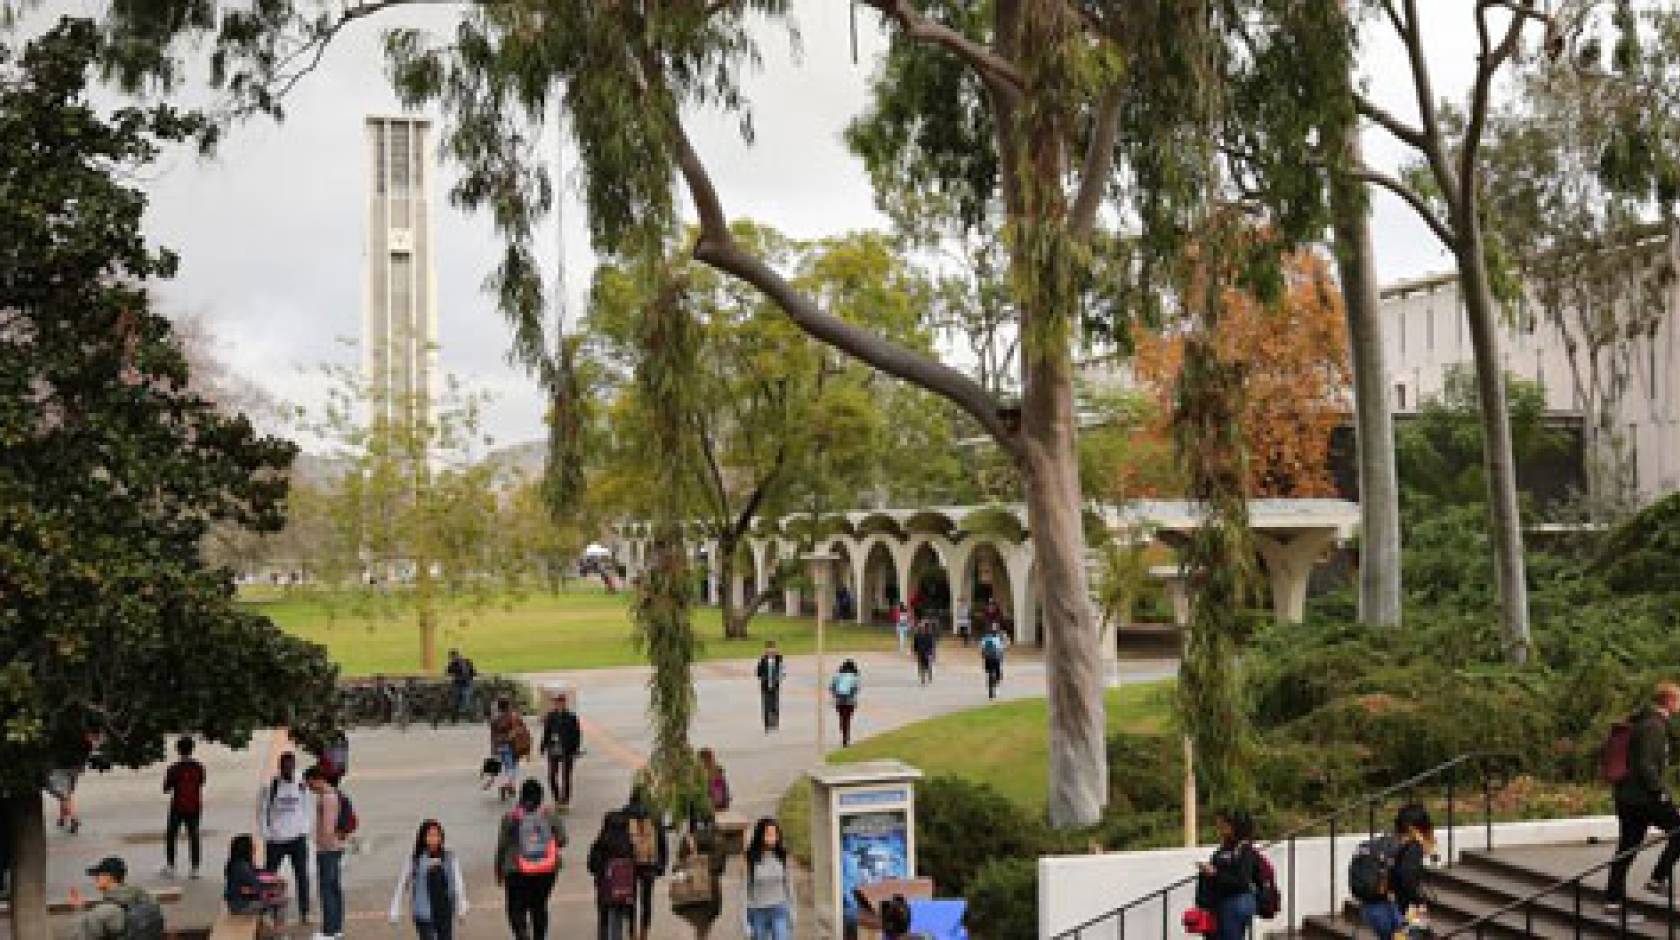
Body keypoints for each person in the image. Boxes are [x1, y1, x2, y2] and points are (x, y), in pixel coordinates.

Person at [1607, 681, 1680, 915]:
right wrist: (1659, 792)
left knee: (1627, 846)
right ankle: (1658, 879)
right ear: (1668, 701)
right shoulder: (1654, 726)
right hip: (1643, 798)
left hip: (1628, 796)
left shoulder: (1643, 721)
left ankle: (1613, 900)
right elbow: (1646, 764)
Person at [497, 779, 566, 940]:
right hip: (545, 870)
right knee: (539, 907)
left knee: (515, 908)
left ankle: (522, 934)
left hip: (516, 869)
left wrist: (499, 869)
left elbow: (502, 845)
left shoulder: (510, 817)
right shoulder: (549, 815)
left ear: (521, 796)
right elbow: (563, 840)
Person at [1359, 803, 1433, 939]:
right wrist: (1419, 901)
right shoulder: (1412, 847)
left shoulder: (1387, 841)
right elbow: (1407, 878)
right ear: (1414, 828)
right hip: (1396, 910)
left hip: (1372, 908)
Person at [257, 752, 313, 924]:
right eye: (285, 767)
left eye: (291, 766)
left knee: (302, 876)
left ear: (294, 766)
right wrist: (267, 833)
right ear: (280, 767)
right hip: (276, 840)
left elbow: (306, 806)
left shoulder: (301, 783)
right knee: (269, 876)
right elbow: (261, 811)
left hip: (297, 839)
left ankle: (305, 911)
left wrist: (304, 829)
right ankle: (267, 910)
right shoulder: (271, 785)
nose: (288, 770)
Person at [390, 819, 470, 939]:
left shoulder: (450, 857)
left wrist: (462, 905)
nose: (433, 839)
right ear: (423, 837)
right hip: (423, 912)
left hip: (445, 910)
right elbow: (402, 884)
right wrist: (395, 908)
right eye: (430, 835)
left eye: (436, 835)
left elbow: (458, 882)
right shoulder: (415, 859)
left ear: (441, 837)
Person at [1196, 809, 1261, 940]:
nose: (1219, 826)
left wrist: (1215, 873)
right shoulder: (1226, 847)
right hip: (1220, 903)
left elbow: (1242, 880)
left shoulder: (1244, 849)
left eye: (1223, 824)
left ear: (1234, 826)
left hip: (1234, 903)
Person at [72, 856, 164, 940]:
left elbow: (80, 936)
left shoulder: (103, 911)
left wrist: (79, 910)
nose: (95, 878)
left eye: (98, 874)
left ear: (109, 877)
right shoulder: (145, 897)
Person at [303, 767, 346, 940]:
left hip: (328, 850)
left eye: (309, 782)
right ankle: (336, 927)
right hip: (335, 848)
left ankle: (329, 930)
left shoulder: (327, 798)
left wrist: (320, 845)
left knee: (327, 889)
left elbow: (328, 828)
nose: (308, 786)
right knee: (334, 888)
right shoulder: (333, 794)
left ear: (317, 779)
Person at [624, 785, 669, 940]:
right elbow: (662, 841)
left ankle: (631, 932)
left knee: (630, 899)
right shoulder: (654, 816)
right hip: (649, 862)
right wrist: (662, 863)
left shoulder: (624, 813)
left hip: (629, 863)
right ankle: (644, 933)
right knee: (647, 900)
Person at [587, 811, 638, 940]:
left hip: (605, 888)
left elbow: (592, 866)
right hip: (623, 889)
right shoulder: (628, 844)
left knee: (604, 917)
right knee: (619, 917)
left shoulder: (600, 843)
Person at [742, 817, 796, 940]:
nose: (772, 838)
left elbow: (789, 886)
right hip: (757, 911)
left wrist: (793, 912)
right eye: (768, 834)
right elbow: (744, 892)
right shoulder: (749, 859)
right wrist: (744, 923)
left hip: (779, 908)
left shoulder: (782, 856)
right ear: (760, 835)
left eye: (774, 834)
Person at [161, 736, 206, 879]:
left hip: (177, 806)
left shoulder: (174, 768)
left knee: (171, 835)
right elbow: (201, 783)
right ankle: (195, 868)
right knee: (194, 835)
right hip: (194, 806)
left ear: (178, 750)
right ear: (192, 749)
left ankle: (171, 866)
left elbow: (166, 788)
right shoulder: (199, 767)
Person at [540, 692, 583, 806]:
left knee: (566, 776)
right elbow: (546, 732)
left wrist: (576, 749)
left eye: (560, 701)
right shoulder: (550, 716)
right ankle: (557, 797)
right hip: (553, 748)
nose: (558, 703)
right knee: (552, 776)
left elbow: (577, 734)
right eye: (556, 701)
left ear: (564, 702)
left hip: (567, 749)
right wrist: (543, 747)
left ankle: (566, 799)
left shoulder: (572, 717)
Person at [488, 697, 526, 801]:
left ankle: (509, 785)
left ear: (499, 707)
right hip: (513, 745)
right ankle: (508, 784)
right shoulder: (514, 717)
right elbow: (522, 729)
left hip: (500, 745)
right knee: (513, 766)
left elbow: (493, 735)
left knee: (506, 766)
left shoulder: (494, 719)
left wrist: (494, 749)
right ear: (509, 706)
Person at [222, 834, 268, 916]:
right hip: (241, 905)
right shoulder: (243, 867)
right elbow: (257, 886)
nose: (255, 848)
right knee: (278, 901)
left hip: (234, 902)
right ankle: (276, 925)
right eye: (252, 845)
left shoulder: (235, 863)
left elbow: (255, 874)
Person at [755, 641, 786, 733]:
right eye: (769, 650)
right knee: (766, 704)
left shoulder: (779, 660)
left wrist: (779, 677)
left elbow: (782, 670)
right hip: (766, 685)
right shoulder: (763, 660)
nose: (771, 652)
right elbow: (758, 672)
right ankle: (767, 724)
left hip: (775, 685)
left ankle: (775, 723)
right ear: (765, 651)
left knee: (775, 704)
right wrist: (763, 677)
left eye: (773, 650)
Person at [830, 660, 862, 748]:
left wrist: (836, 695)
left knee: (842, 717)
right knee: (847, 719)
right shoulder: (854, 677)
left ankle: (843, 731)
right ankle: (846, 737)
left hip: (839, 699)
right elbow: (856, 689)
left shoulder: (837, 676)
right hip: (849, 700)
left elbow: (832, 687)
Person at [446, 649, 477, 722]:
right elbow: (448, 672)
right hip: (459, 684)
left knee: (465, 699)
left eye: (452, 657)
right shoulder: (453, 664)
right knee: (456, 701)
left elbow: (473, 671)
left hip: (466, 684)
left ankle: (470, 716)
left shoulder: (466, 662)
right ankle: (455, 718)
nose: (452, 659)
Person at [979, 626, 1007, 699]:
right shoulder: (997, 640)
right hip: (995, 659)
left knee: (989, 672)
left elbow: (982, 650)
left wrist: (983, 657)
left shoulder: (984, 639)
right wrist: (1001, 658)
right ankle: (996, 681)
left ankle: (989, 684)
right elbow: (1000, 651)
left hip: (988, 659)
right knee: (998, 673)